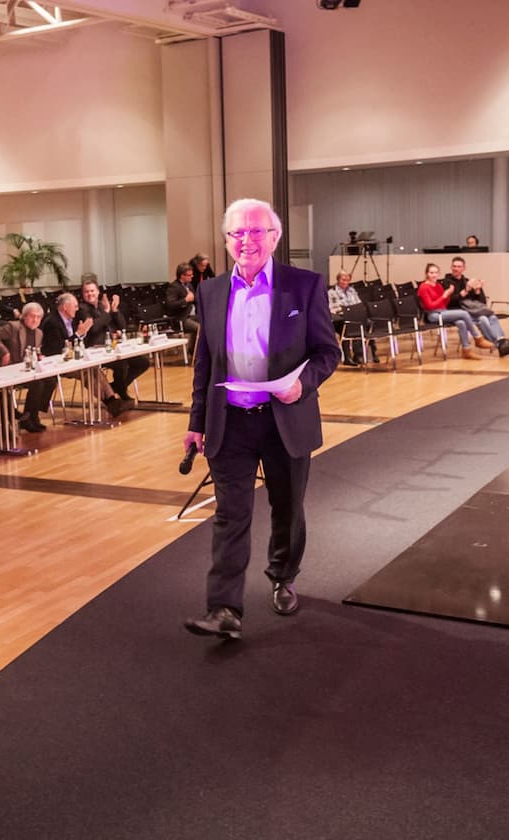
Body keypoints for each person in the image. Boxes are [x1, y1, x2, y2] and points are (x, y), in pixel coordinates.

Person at [183, 198, 342, 641]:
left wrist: (302, 385)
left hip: (284, 419)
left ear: (275, 237)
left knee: (287, 508)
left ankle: (282, 576)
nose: (246, 241)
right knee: (230, 515)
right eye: (237, 233)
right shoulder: (211, 292)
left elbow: (329, 352)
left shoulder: (304, 287)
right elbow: (205, 364)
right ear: (226, 240)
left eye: (256, 232)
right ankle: (224, 609)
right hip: (229, 421)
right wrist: (196, 422)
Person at [79, 276, 148, 411]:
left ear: (98, 292)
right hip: (96, 350)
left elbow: (122, 325)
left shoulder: (101, 305)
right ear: (83, 294)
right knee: (121, 364)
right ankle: (121, 391)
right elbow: (93, 328)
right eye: (86, 292)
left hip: (113, 346)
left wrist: (114, 310)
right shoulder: (82, 309)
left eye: (92, 291)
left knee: (142, 362)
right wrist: (106, 312)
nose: (90, 294)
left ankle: (116, 387)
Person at [0, 303, 56, 434]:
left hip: (27, 371)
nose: (35, 320)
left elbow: (33, 351)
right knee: (38, 384)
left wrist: (39, 356)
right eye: (32, 316)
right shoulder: (13, 327)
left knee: (50, 381)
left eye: (38, 317)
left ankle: (31, 416)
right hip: (11, 371)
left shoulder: (39, 333)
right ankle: (28, 418)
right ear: (24, 316)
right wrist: (4, 352)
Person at [447, 257, 509, 356]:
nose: (456, 269)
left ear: (464, 268)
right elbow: (448, 302)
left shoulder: (467, 281)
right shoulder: (447, 282)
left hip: (472, 310)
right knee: (483, 319)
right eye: (454, 266)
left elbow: (482, 303)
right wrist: (465, 291)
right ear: (451, 267)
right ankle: (500, 345)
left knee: (492, 317)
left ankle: (501, 340)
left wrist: (478, 290)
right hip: (458, 311)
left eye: (459, 266)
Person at [416, 263, 482, 360]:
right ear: (427, 274)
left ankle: (466, 350)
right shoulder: (423, 287)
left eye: (436, 273)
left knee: (461, 322)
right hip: (432, 314)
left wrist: (448, 294)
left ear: (439, 274)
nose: (434, 275)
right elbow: (430, 306)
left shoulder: (438, 285)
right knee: (464, 313)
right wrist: (444, 296)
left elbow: (444, 303)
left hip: (442, 311)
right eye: (431, 273)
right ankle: (478, 337)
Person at [327, 272, 366, 367]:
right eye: (343, 280)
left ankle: (358, 355)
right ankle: (347, 357)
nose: (345, 282)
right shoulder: (331, 292)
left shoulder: (352, 290)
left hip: (353, 316)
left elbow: (358, 303)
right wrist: (343, 309)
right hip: (339, 318)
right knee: (347, 326)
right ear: (338, 280)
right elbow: (330, 308)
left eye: (347, 280)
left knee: (364, 324)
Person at [165, 262, 200, 358]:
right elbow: (170, 304)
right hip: (181, 318)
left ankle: (196, 351)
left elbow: (194, 299)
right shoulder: (174, 287)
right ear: (182, 276)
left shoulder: (189, 285)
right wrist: (185, 300)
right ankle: (195, 353)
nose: (192, 277)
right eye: (189, 275)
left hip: (192, 315)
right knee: (200, 328)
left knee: (209, 324)